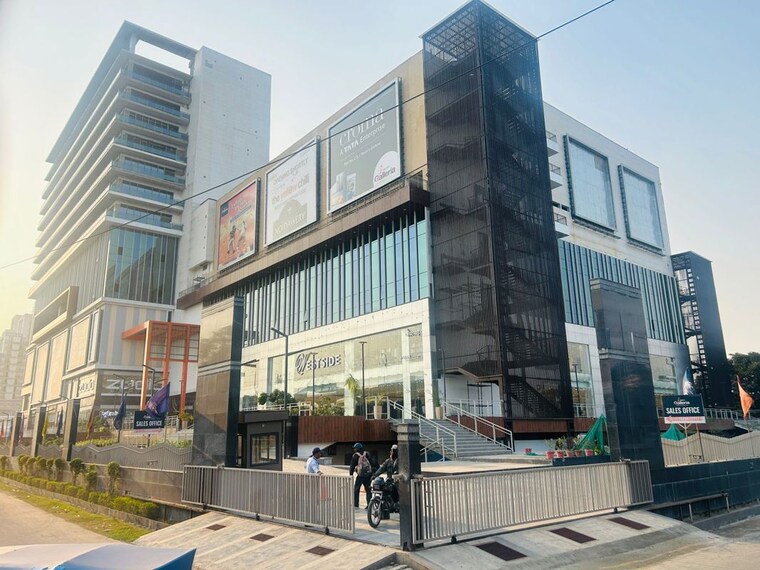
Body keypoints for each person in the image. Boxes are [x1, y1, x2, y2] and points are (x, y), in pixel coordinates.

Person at [349, 443, 372, 508]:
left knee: (356, 489)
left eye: (355, 448)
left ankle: (356, 505)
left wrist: (351, 475)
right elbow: (372, 463)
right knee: (368, 490)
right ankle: (369, 505)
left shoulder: (355, 456)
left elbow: (352, 466)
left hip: (360, 475)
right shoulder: (367, 454)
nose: (354, 449)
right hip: (368, 475)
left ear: (357, 449)